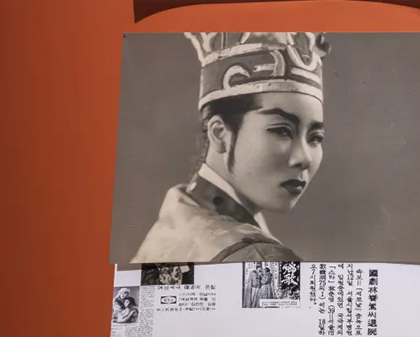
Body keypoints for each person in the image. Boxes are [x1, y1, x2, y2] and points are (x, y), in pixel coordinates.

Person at [130, 33, 327, 264]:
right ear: (219, 133)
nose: (304, 158)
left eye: (315, 137)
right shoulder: (261, 260)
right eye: (282, 131)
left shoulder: (173, 221)